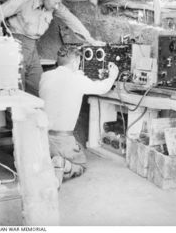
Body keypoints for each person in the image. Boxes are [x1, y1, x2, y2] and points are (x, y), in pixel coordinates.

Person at [0, 0, 102, 96]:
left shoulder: (54, 5)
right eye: (56, 2)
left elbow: (71, 19)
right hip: (15, 46)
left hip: (32, 49)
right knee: (15, 91)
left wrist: (90, 39)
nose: (57, 6)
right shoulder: (24, 0)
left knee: (40, 90)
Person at [39, 44, 119, 188]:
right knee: (81, 164)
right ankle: (63, 163)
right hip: (62, 140)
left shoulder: (45, 76)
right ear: (76, 62)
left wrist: (76, 75)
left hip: (43, 139)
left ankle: (51, 162)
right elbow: (102, 88)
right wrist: (113, 76)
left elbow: (60, 88)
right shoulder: (78, 80)